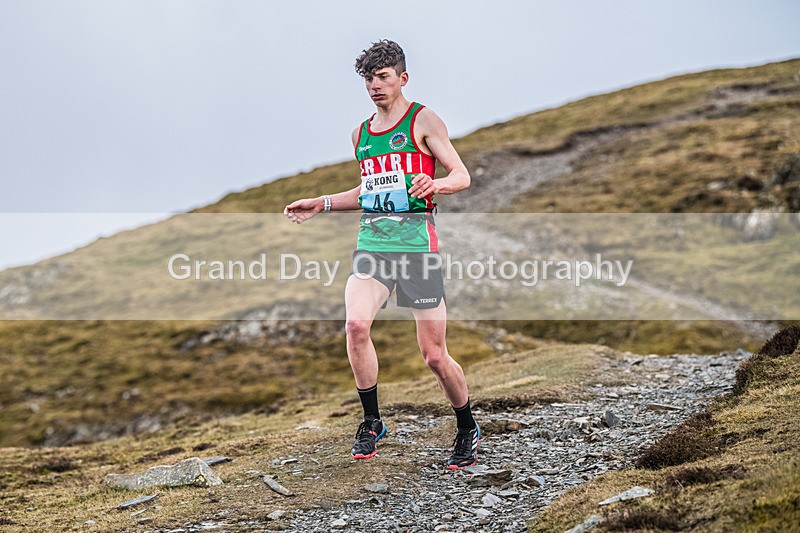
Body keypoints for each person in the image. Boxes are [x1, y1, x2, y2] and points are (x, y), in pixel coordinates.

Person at [284, 39, 479, 469]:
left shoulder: (422, 120)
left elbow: (460, 174)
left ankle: (466, 425)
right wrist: (323, 202)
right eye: (368, 79)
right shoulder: (360, 134)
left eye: (383, 77)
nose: (375, 86)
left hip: (416, 250)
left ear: (402, 78)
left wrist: (438, 185)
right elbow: (367, 191)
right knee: (355, 325)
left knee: (433, 357)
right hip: (372, 247)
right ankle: (372, 421)